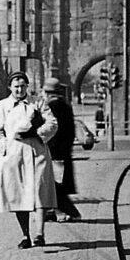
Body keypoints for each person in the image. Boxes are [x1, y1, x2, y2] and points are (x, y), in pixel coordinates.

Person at [0, 71, 58, 249]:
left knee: (40, 191)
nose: (19, 90)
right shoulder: (2, 106)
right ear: (10, 87)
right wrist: (5, 148)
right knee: (18, 195)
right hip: (14, 155)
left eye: (23, 86)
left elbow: (52, 123)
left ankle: (40, 234)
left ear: (27, 86)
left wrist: (36, 132)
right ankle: (25, 234)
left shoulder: (38, 103)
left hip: (37, 152)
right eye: (16, 86)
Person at [41, 77, 81, 222]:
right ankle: (50, 212)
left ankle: (70, 212)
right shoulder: (66, 105)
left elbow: (52, 131)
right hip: (63, 151)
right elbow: (70, 131)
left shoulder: (51, 107)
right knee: (55, 183)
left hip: (53, 152)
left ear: (47, 92)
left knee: (54, 184)